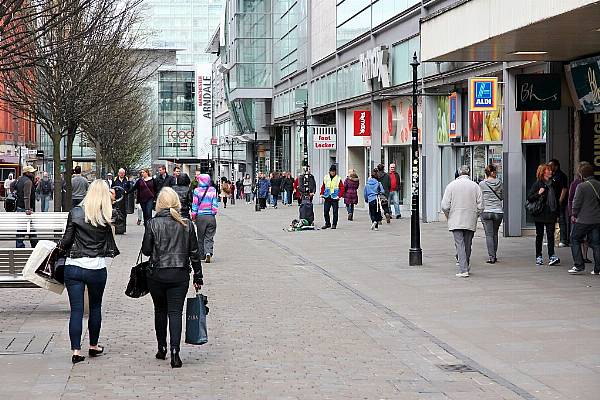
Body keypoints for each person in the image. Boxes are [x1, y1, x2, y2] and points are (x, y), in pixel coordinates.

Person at [58, 179, 122, 364]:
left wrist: (57, 249)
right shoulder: (108, 214)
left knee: (76, 310)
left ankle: (76, 351)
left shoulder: (76, 212)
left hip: (74, 267)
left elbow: (66, 241)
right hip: (97, 268)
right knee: (95, 307)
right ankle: (93, 346)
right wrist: (113, 200)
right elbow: (121, 217)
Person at [141, 187, 203, 368]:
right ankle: (176, 352)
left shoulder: (152, 223)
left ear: (159, 204)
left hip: (157, 273)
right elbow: (194, 253)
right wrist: (198, 276)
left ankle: (162, 347)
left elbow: (146, 251)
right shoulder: (186, 224)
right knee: (175, 312)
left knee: (160, 310)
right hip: (180, 274)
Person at [441, 165, 483, 278]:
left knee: (459, 244)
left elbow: (444, 205)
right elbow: (481, 205)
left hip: (455, 218)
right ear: (468, 173)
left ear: (459, 173)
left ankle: (463, 268)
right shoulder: (475, 186)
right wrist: (476, 214)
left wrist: (448, 215)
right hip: (470, 218)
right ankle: (466, 264)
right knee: (468, 244)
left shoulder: (451, 185)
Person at [568, 163, 600, 275]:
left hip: (584, 220)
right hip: (597, 219)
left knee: (574, 238)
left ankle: (578, 265)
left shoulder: (581, 186)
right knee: (596, 243)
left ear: (581, 174)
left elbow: (576, 203)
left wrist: (574, 214)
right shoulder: (598, 184)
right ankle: (598, 269)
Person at [527, 163, 561, 266]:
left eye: (551, 170)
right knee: (540, 235)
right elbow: (530, 198)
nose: (550, 171)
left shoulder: (554, 184)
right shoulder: (538, 184)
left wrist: (557, 213)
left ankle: (552, 256)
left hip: (551, 213)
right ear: (543, 172)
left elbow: (556, 199)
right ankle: (539, 256)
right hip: (540, 214)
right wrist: (539, 193)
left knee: (550, 235)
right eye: (548, 170)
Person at [191, 174, 218, 263]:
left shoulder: (196, 191)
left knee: (201, 237)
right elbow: (215, 204)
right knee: (209, 236)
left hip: (200, 217)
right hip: (210, 217)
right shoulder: (213, 190)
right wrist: (213, 212)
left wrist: (194, 216)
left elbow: (194, 204)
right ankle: (208, 252)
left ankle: (201, 255)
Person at [568, 162, 592, 264]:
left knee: (578, 238)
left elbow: (571, 200)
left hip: (581, 215)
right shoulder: (575, 184)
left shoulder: (582, 184)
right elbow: (570, 199)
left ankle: (582, 259)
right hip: (580, 215)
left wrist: (572, 214)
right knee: (579, 238)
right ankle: (582, 258)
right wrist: (572, 214)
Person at [479, 164, 503, 264]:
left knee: (489, 235)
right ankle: (494, 255)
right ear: (494, 172)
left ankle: (491, 257)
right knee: (495, 234)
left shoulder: (482, 184)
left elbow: (479, 198)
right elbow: (502, 196)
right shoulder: (500, 183)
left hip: (487, 211)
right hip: (498, 211)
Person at [15, 165, 38, 248]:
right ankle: (20, 246)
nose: (33, 173)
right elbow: (27, 196)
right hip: (25, 209)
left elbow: (12, 186)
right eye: (32, 172)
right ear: (27, 173)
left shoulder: (19, 179)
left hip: (19, 206)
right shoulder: (28, 182)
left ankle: (34, 244)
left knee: (29, 228)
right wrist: (27, 209)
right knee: (24, 228)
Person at [548, 159, 569, 247]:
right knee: (551, 220)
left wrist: (560, 200)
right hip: (552, 202)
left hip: (559, 202)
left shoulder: (561, 176)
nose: (549, 167)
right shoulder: (552, 175)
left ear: (556, 166)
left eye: (551, 165)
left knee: (561, 219)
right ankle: (551, 239)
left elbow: (564, 188)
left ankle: (563, 240)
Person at [320, 165, 345, 230]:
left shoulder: (338, 178)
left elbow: (342, 188)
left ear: (335, 172)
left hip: (334, 198)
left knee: (335, 212)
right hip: (327, 197)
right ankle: (327, 223)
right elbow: (323, 186)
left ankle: (334, 224)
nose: (332, 173)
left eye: (333, 171)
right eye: (331, 171)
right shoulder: (326, 177)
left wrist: (339, 196)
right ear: (329, 171)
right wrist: (322, 193)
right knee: (325, 212)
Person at [112, 168, 130, 233]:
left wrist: (126, 191)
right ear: (118, 173)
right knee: (116, 213)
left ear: (124, 173)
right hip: (117, 199)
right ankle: (117, 228)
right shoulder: (115, 180)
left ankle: (123, 229)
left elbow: (129, 188)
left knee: (124, 214)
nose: (122, 174)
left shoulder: (127, 180)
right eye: (121, 173)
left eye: (123, 173)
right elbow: (112, 188)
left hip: (124, 200)